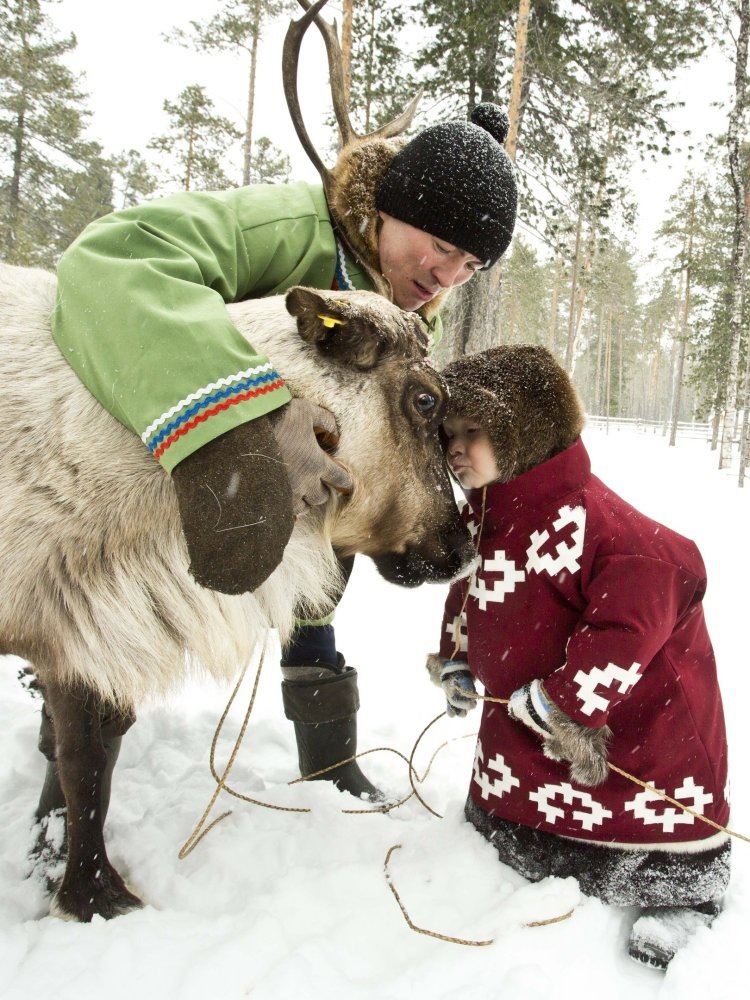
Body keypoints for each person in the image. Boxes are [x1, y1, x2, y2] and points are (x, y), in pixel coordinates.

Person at [33, 103, 518, 828]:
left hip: (296, 482)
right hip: (150, 458)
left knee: (319, 585)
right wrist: (253, 412)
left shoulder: (417, 296)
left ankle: (325, 758)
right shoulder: (286, 226)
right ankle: (64, 787)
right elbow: (112, 260)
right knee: (124, 614)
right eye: (442, 244)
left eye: (471, 265)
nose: (448, 274)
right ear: (392, 207)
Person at [427, 345, 731, 970]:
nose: (457, 448)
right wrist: (457, 654)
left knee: (651, 793)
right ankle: (523, 841)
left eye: (474, 431)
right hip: (520, 718)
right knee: (514, 791)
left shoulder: (601, 525)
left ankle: (679, 889)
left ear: (524, 428)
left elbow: (636, 613)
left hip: (637, 723)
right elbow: (472, 590)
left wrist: (566, 702)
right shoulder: (487, 517)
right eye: (449, 434)